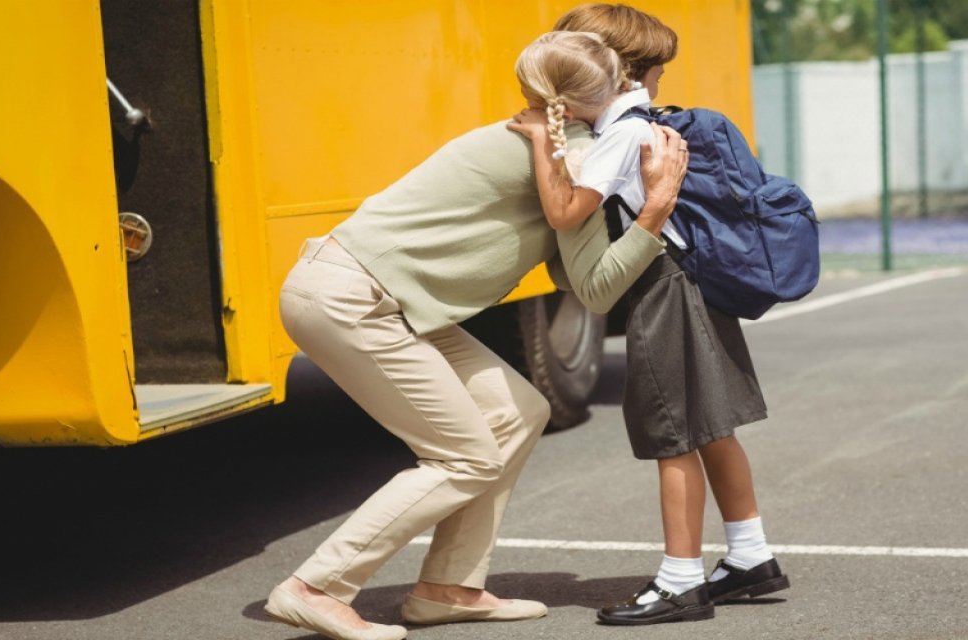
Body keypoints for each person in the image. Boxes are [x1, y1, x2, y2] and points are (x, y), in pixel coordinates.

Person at [260, 48, 691, 640]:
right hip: (356, 300)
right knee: (464, 457)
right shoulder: (577, 157)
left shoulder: (548, 143)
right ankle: (316, 587)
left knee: (519, 410)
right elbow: (595, 290)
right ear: (612, 88)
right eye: (639, 79)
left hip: (377, 297)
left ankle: (449, 588)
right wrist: (655, 212)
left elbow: (571, 270)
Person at [510, 4, 791, 626]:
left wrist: (539, 140)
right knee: (713, 428)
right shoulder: (649, 122)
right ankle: (750, 556)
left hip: (663, 291)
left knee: (673, 438)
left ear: (610, 70)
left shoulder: (621, 134)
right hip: (697, 284)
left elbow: (566, 213)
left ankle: (680, 581)